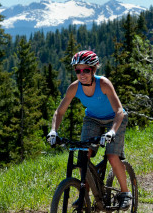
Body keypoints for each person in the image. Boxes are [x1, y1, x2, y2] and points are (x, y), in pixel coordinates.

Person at [46, 50, 131, 210]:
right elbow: (59, 112)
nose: (82, 74)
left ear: (94, 70)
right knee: (82, 157)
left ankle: (125, 193)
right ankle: (85, 194)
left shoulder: (103, 84)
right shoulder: (74, 88)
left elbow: (119, 111)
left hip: (114, 118)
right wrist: (53, 131)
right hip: (92, 119)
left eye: (86, 70)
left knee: (112, 156)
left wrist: (111, 132)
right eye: (78, 70)